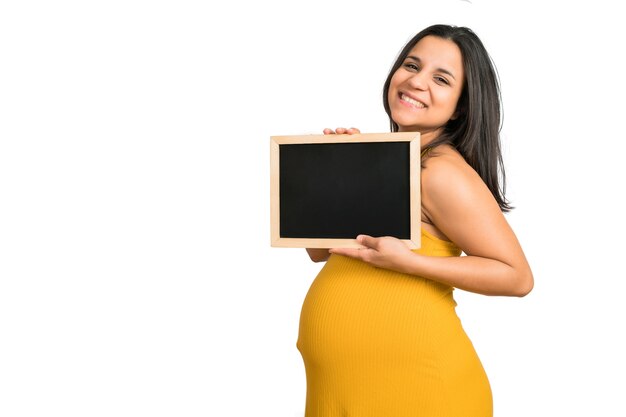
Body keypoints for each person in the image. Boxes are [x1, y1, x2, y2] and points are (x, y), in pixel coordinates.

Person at [296, 24, 533, 416]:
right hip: (350, 387)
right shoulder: (390, 163)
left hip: (418, 389)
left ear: (460, 105)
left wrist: (408, 261)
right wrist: (339, 173)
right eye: (411, 65)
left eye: (441, 78)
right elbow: (320, 251)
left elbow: (517, 277)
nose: (416, 81)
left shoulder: (440, 172)